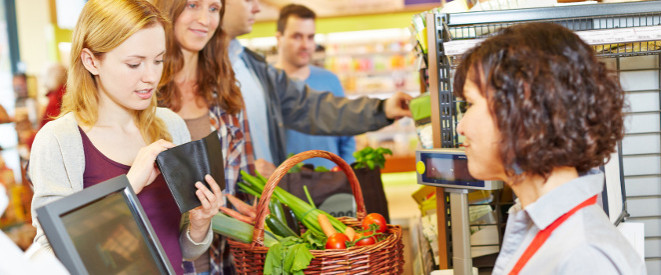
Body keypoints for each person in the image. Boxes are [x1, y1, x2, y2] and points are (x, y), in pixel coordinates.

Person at [29, 1, 223, 273]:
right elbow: (54, 258)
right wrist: (128, 186)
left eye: (158, 60)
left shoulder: (171, 125)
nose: (151, 77)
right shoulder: (59, 141)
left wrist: (200, 223)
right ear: (91, 60)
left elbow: (184, 250)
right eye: (134, 64)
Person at [453, 22, 646, 274]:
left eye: (469, 104)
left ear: (524, 110)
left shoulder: (585, 257)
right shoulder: (538, 223)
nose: (461, 127)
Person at [222, 0, 412, 177]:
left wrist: (383, 109)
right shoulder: (206, 69)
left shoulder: (253, 66)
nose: (257, 7)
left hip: (271, 196)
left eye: (310, 37)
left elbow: (314, 108)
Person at [152, 0, 255, 274]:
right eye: (192, 4)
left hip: (222, 260)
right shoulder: (143, 94)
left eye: (213, 8)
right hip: (163, 259)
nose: (205, 19)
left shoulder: (226, 92)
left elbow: (245, 182)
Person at [275, 4, 355, 169]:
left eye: (310, 37)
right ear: (279, 38)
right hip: (283, 187)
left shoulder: (330, 80)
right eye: (297, 36)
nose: (306, 45)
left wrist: (344, 174)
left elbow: (347, 137)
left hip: (331, 182)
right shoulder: (267, 84)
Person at [39, 63, 67, 128]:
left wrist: (28, 137)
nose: (43, 83)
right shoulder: (67, 92)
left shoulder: (55, 98)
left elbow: (48, 126)